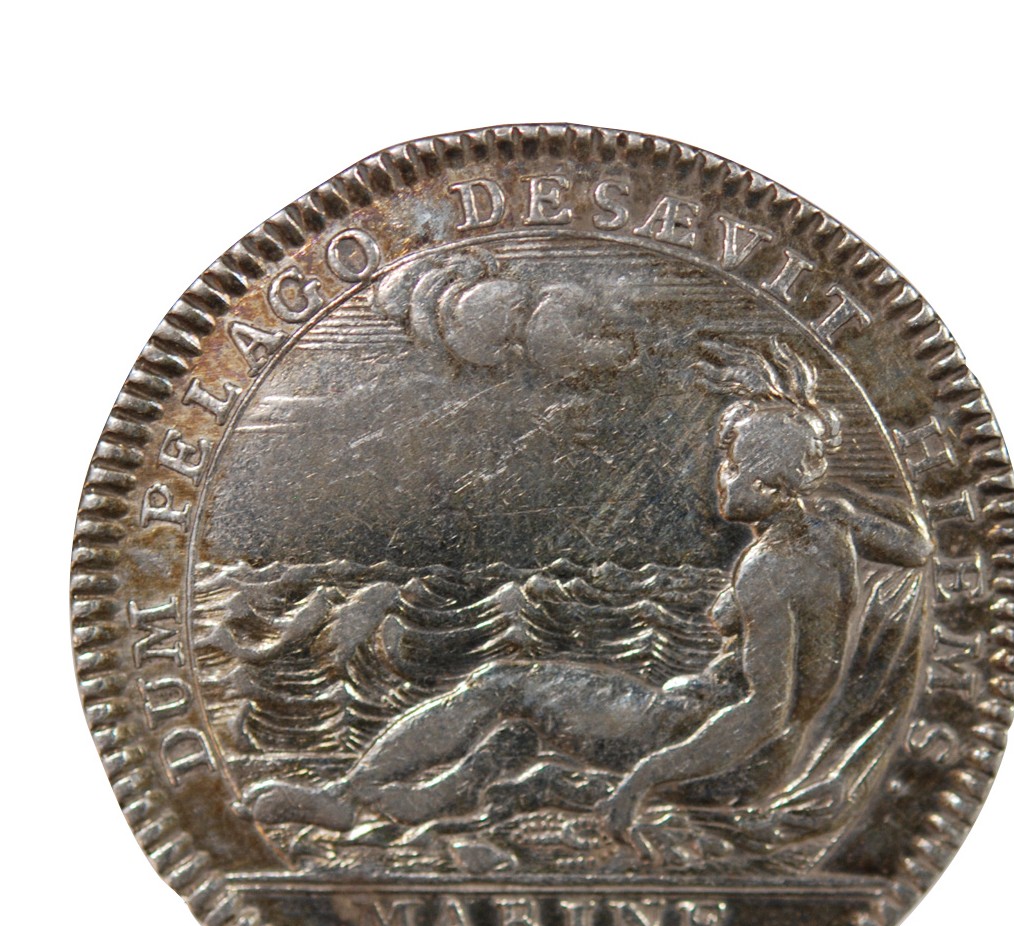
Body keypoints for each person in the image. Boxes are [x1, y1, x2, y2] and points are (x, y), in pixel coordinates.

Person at [243, 342, 930, 850]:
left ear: (768, 482)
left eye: (732, 460)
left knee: (502, 684)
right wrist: (841, 508)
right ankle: (420, 805)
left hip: (706, 747)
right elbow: (920, 549)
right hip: (733, 743)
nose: (719, 473)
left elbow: (764, 710)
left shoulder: (766, 570)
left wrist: (649, 777)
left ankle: (346, 795)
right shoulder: (831, 528)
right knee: (518, 736)